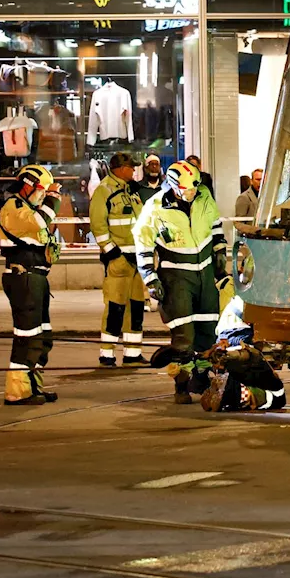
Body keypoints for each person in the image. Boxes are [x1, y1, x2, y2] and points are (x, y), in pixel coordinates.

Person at [133, 161, 226, 404]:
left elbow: (215, 225)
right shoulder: (155, 207)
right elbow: (143, 244)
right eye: (187, 189)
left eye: (194, 188)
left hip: (204, 274)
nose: (192, 193)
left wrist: (219, 250)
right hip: (176, 277)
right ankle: (181, 385)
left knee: (208, 331)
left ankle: (202, 378)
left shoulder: (204, 196)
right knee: (184, 335)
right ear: (174, 186)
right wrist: (150, 278)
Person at [0, 165, 63, 406]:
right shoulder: (13, 207)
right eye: (41, 190)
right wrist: (54, 200)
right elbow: (38, 222)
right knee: (27, 336)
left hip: (36, 279)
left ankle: (33, 387)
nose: (43, 195)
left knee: (41, 336)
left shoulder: (26, 207)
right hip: (23, 278)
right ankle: (17, 392)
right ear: (28, 186)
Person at [90, 152, 149, 368]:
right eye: (131, 167)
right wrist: (111, 252)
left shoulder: (131, 191)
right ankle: (107, 354)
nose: (134, 171)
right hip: (119, 260)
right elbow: (98, 224)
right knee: (115, 307)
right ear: (120, 169)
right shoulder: (104, 191)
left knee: (136, 307)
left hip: (135, 261)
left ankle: (133, 353)